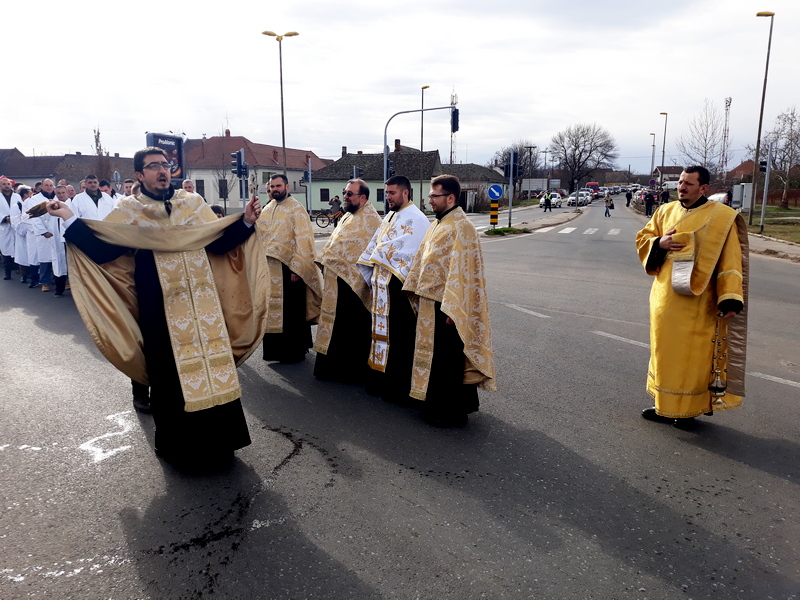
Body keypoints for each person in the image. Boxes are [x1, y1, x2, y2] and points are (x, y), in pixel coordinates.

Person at [45, 146, 269, 467]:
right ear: (140, 175)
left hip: (203, 305)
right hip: (161, 309)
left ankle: (222, 443)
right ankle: (181, 448)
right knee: (171, 378)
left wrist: (245, 221)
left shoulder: (192, 204)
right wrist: (68, 215)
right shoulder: (129, 210)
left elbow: (217, 241)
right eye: (153, 166)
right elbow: (102, 249)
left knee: (212, 371)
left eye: (165, 165)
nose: (162, 170)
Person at [635, 166, 748, 429]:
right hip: (664, 300)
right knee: (664, 354)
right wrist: (658, 244)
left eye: (689, 183)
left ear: (704, 188)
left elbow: (730, 261)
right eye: (681, 182)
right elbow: (644, 239)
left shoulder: (722, 218)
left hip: (699, 303)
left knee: (690, 358)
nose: (682, 187)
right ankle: (664, 404)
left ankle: (687, 409)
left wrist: (730, 298)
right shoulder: (664, 211)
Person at [403, 174, 496, 426]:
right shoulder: (438, 224)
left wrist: (454, 311)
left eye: (434, 196)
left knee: (447, 361)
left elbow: (465, 274)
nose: (430, 200)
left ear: (451, 197)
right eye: (431, 196)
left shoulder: (462, 227)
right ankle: (431, 405)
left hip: (447, 308)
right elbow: (423, 259)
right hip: (428, 302)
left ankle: (451, 412)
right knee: (431, 358)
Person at [357, 175, 430, 403]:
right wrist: (371, 281)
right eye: (386, 193)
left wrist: (380, 259)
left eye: (391, 193)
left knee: (399, 338)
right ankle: (380, 382)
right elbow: (376, 245)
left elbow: (409, 255)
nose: (387, 197)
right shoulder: (390, 215)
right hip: (381, 288)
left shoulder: (417, 219)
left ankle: (398, 388)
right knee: (380, 337)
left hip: (399, 288)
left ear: (405, 193)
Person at [313, 178, 382, 383]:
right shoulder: (347, 216)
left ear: (362, 197)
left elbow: (372, 254)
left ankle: (352, 372)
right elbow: (336, 243)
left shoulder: (372, 220)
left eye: (350, 193)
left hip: (355, 285)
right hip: (337, 280)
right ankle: (332, 368)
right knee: (335, 325)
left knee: (353, 328)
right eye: (345, 192)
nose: (345, 196)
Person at [257, 174, 322, 363]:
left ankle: (294, 351)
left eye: (278, 185)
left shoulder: (296, 208)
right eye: (272, 186)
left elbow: (304, 239)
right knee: (273, 310)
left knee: (291, 312)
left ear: (286, 186)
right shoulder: (268, 207)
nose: (275, 189)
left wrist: (298, 269)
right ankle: (275, 352)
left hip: (290, 269)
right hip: (270, 268)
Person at [1, 176, 19, 280]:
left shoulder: (17, 197)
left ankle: (21, 271)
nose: (6, 186)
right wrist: (4, 218)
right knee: (6, 250)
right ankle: (7, 273)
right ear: (0, 186)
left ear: (11, 185)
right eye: (4, 184)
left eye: (8, 184)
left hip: (16, 225)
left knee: (19, 248)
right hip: (4, 227)